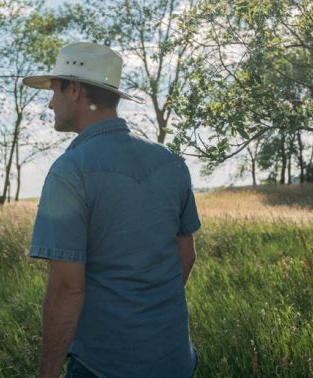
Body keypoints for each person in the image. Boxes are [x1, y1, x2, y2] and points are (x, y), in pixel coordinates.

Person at [24, 42, 201, 378]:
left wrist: (47, 371)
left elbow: (67, 289)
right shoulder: (171, 163)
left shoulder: (70, 171)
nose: (50, 103)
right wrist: (149, 316)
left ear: (74, 89)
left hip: (104, 366)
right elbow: (186, 255)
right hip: (175, 358)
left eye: (54, 90)